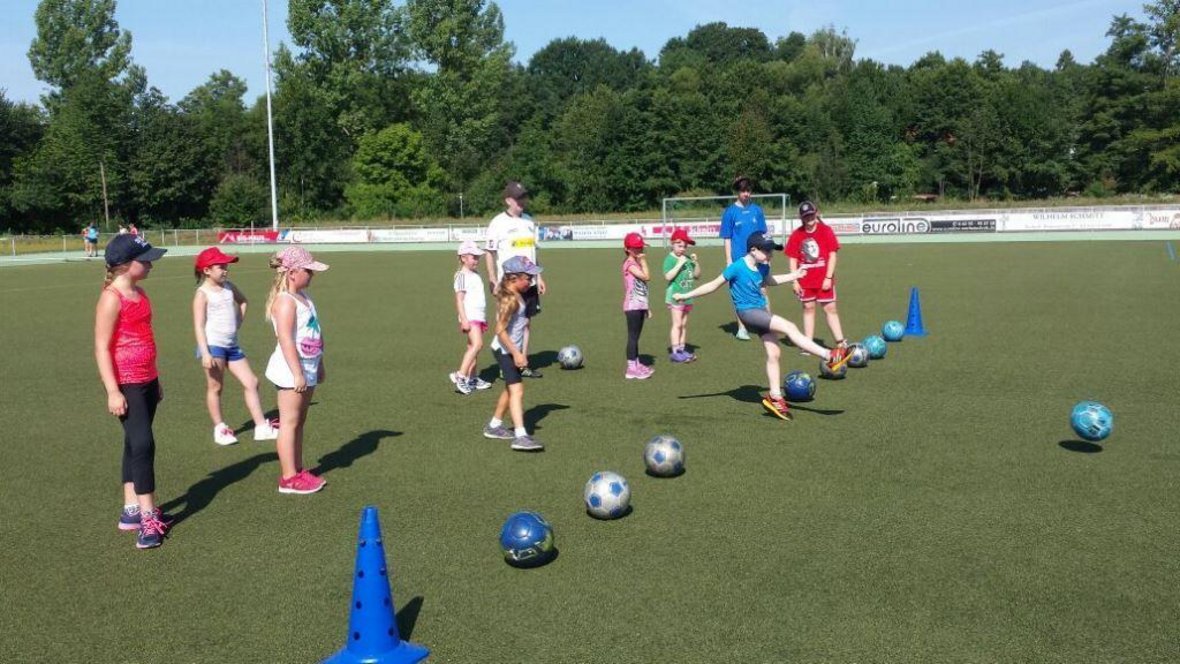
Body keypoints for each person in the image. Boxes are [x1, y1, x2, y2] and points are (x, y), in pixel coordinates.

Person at [674, 232, 850, 421]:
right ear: (753, 250)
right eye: (767, 251)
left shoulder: (762, 266)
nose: (770, 255)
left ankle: (775, 397)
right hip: (748, 314)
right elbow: (712, 285)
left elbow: (769, 281)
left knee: (774, 353)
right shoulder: (737, 267)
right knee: (790, 327)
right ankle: (829, 356)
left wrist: (794, 275)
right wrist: (684, 296)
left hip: (761, 313)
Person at [94, 234, 172, 549]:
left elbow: (144, 337)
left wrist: (156, 379)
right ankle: (147, 516)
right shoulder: (111, 297)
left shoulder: (141, 293)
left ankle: (130, 510)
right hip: (126, 382)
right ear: (125, 265)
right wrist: (113, 390)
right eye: (146, 259)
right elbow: (101, 347)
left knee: (133, 441)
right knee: (143, 443)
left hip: (147, 380)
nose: (151, 264)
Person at [192, 247, 279, 445]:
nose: (225, 270)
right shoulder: (202, 294)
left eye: (226, 266)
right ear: (207, 270)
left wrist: (238, 321)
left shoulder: (229, 287)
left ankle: (261, 427)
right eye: (220, 266)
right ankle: (220, 428)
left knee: (252, 382)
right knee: (216, 386)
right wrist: (205, 352)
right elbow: (198, 325)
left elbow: (243, 302)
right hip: (213, 346)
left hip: (232, 345)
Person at [264, 247, 329, 494]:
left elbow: (315, 334)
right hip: (292, 371)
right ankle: (288, 477)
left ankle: (297, 469)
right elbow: (286, 340)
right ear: (292, 272)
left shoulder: (305, 298)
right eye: (308, 271)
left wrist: (319, 365)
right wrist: (297, 373)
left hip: (308, 367)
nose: (312, 275)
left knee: (299, 421)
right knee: (289, 422)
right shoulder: (285, 301)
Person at [481, 256, 544, 451]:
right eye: (528, 278)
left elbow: (522, 327)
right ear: (513, 278)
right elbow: (499, 331)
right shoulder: (510, 300)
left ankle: (494, 426)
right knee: (517, 390)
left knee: (510, 389)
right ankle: (521, 435)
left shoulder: (518, 295)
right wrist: (516, 353)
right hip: (504, 350)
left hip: (510, 350)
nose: (531, 282)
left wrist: (522, 351)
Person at [484, 181, 546, 378]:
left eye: (524, 197)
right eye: (518, 198)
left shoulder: (529, 221)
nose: (522, 201)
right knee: (505, 323)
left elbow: (534, 252)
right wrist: (493, 279)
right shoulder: (498, 223)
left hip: (529, 283)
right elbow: (489, 253)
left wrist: (539, 277)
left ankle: (522, 362)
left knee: (526, 322)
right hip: (508, 284)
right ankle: (506, 364)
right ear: (508, 200)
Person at [786, 200, 848, 354]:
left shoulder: (826, 231)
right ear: (801, 218)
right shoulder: (796, 235)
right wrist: (794, 280)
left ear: (816, 213)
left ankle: (840, 342)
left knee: (830, 308)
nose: (809, 218)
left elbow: (833, 255)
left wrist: (828, 278)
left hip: (823, 279)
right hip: (805, 281)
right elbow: (793, 258)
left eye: (811, 215)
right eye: (806, 216)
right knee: (808, 308)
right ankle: (808, 344)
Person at [719, 175, 769, 341]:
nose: (746, 194)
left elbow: (763, 233)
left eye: (748, 190)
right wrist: (728, 260)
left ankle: (767, 322)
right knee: (740, 295)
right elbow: (727, 237)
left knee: (762, 289)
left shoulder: (757, 210)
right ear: (737, 192)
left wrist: (767, 254)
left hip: (759, 257)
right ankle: (742, 328)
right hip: (739, 259)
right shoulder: (730, 213)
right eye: (743, 191)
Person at [451, 240, 493, 395]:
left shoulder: (475, 274)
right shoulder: (461, 276)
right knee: (477, 344)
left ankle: (472, 378)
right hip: (470, 316)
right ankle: (460, 375)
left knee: (472, 348)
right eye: (473, 257)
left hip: (479, 316)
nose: (477, 260)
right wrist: (464, 320)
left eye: (477, 257)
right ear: (463, 258)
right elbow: (459, 300)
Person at [663, 228, 700, 363]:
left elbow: (697, 276)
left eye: (684, 246)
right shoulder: (670, 259)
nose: (682, 249)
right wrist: (679, 264)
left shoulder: (688, 258)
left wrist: (695, 263)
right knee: (677, 324)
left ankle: (682, 348)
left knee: (684, 324)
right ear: (672, 243)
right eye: (679, 246)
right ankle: (675, 351)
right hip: (675, 296)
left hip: (687, 296)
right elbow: (668, 277)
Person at [622, 232, 654, 379]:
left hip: (640, 305)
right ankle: (631, 369)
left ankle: (637, 362)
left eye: (641, 248)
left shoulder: (636, 262)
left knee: (637, 336)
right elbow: (647, 277)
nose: (640, 251)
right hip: (632, 306)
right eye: (637, 249)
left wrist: (647, 307)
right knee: (633, 337)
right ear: (628, 249)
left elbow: (642, 287)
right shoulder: (629, 264)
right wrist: (644, 261)